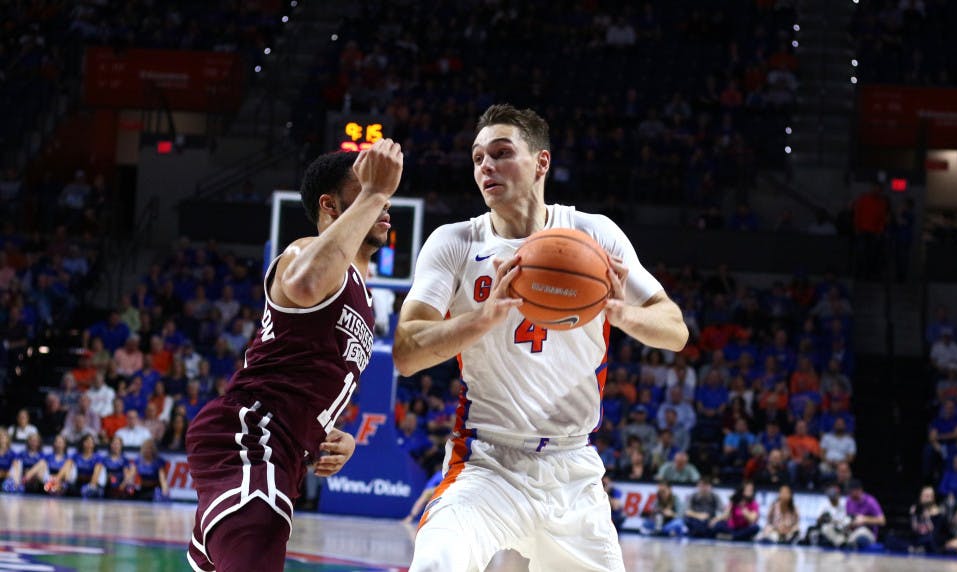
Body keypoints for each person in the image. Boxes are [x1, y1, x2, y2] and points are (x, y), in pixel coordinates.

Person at [394, 104, 687, 571]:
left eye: (501, 153)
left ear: (541, 162)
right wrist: (484, 317)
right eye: (477, 158)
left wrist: (618, 312)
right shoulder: (455, 243)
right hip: (485, 462)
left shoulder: (592, 235)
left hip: (573, 472)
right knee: (436, 563)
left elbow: (674, 330)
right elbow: (407, 353)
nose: (486, 166)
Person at [186, 140, 402, 571]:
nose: (385, 204)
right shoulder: (304, 252)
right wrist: (376, 190)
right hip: (254, 436)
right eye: (366, 189)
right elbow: (304, 284)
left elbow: (303, 375)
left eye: (385, 195)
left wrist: (332, 434)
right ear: (329, 204)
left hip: (283, 452)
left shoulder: (363, 296)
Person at [844, 479, 886, 548]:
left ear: (859, 490)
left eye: (851, 492)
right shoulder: (849, 501)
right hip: (852, 531)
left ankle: (849, 543)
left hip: (867, 532)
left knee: (861, 535)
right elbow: (848, 517)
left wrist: (864, 519)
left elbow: (882, 521)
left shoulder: (870, 501)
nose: (850, 495)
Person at [909, 486, 946, 554]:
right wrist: (913, 516)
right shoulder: (917, 510)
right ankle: (915, 548)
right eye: (924, 496)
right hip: (919, 539)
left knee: (930, 540)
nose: (926, 498)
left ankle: (918, 548)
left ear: (933, 498)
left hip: (931, 540)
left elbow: (935, 533)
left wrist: (927, 518)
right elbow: (914, 530)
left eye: (928, 496)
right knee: (891, 538)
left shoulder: (939, 513)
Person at [71, 433, 105, 498]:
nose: (89, 444)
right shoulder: (76, 456)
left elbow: (96, 475)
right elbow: (68, 466)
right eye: (86, 441)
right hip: (78, 484)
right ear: (82, 443)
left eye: (91, 442)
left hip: (93, 485)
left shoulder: (98, 457)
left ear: (93, 444)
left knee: (89, 491)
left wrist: (90, 486)